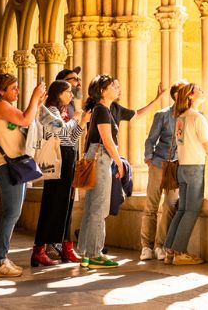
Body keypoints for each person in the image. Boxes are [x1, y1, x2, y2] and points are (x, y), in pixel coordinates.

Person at [77, 73, 166, 269]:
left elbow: (137, 114)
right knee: (99, 207)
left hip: (99, 156)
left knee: (93, 207)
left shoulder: (112, 108)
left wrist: (156, 99)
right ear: (102, 91)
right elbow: (107, 140)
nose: (118, 88)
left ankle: (85, 253)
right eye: (113, 86)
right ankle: (95, 254)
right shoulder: (100, 110)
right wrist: (119, 163)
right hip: (101, 157)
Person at [0, 73, 46, 278]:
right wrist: (35, 97)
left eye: (18, 87)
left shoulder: (5, 107)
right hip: (7, 167)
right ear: (1, 90)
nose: (17, 91)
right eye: (13, 88)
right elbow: (26, 120)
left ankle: (1, 258)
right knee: (11, 214)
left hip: (13, 166)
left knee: (13, 213)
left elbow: (27, 120)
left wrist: (37, 102)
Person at [163, 82, 208, 266]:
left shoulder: (180, 118)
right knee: (191, 211)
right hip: (195, 168)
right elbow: (207, 144)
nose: (203, 91)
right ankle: (180, 252)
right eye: (198, 90)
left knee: (181, 210)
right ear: (190, 97)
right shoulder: (197, 118)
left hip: (183, 168)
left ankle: (169, 250)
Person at [31, 80, 85, 267]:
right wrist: (78, 120)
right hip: (58, 162)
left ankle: (64, 247)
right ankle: (39, 250)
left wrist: (80, 123)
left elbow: (71, 139)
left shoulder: (61, 112)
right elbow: (63, 136)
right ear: (58, 93)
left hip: (67, 159)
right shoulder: (50, 111)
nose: (71, 95)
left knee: (65, 205)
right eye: (68, 91)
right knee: (52, 204)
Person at [141, 81, 186, 260]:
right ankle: (146, 246)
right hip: (159, 164)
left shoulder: (190, 116)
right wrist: (149, 158)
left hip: (176, 167)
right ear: (176, 95)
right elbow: (150, 139)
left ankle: (160, 245)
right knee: (151, 206)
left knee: (170, 205)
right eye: (185, 92)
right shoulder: (162, 115)